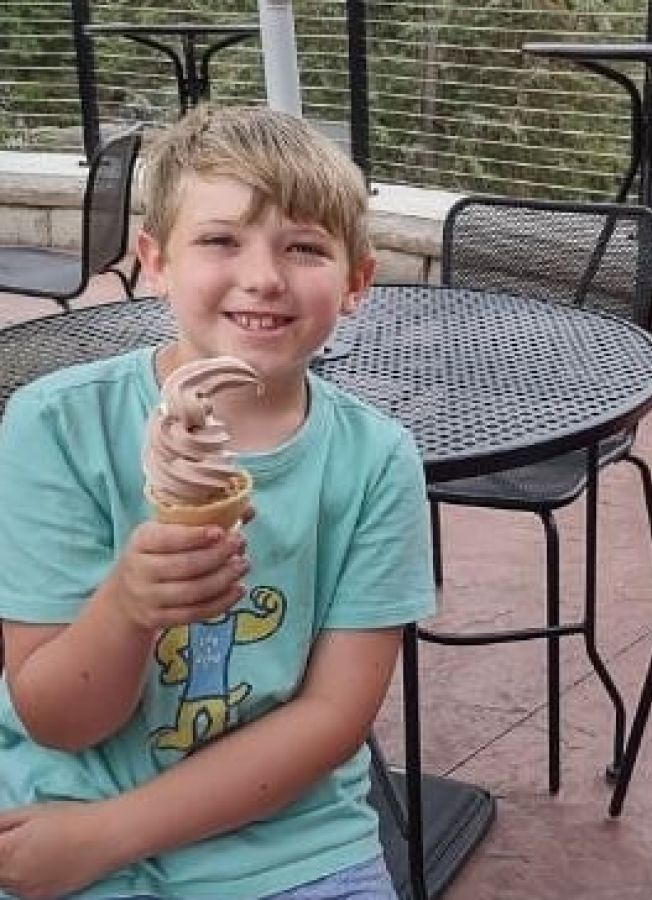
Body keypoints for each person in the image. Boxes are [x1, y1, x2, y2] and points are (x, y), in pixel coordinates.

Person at [0, 105, 434, 899]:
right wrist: (129, 607)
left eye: (305, 247)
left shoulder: (377, 463)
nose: (264, 276)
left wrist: (112, 835)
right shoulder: (57, 425)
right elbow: (57, 719)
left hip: (290, 841)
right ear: (155, 262)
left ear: (357, 281)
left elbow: (333, 716)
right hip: (60, 808)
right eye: (221, 240)